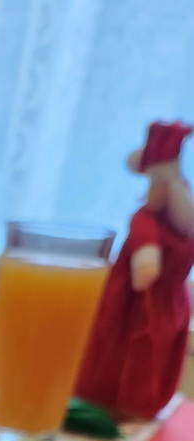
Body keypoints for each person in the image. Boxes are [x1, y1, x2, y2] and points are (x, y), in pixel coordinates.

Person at [75, 121, 194, 421]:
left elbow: (153, 268)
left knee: (147, 354)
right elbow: (148, 266)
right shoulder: (160, 224)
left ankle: (133, 410)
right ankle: (117, 405)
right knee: (137, 354)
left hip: (155, 303)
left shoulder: (163, 224)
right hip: (151, 303)